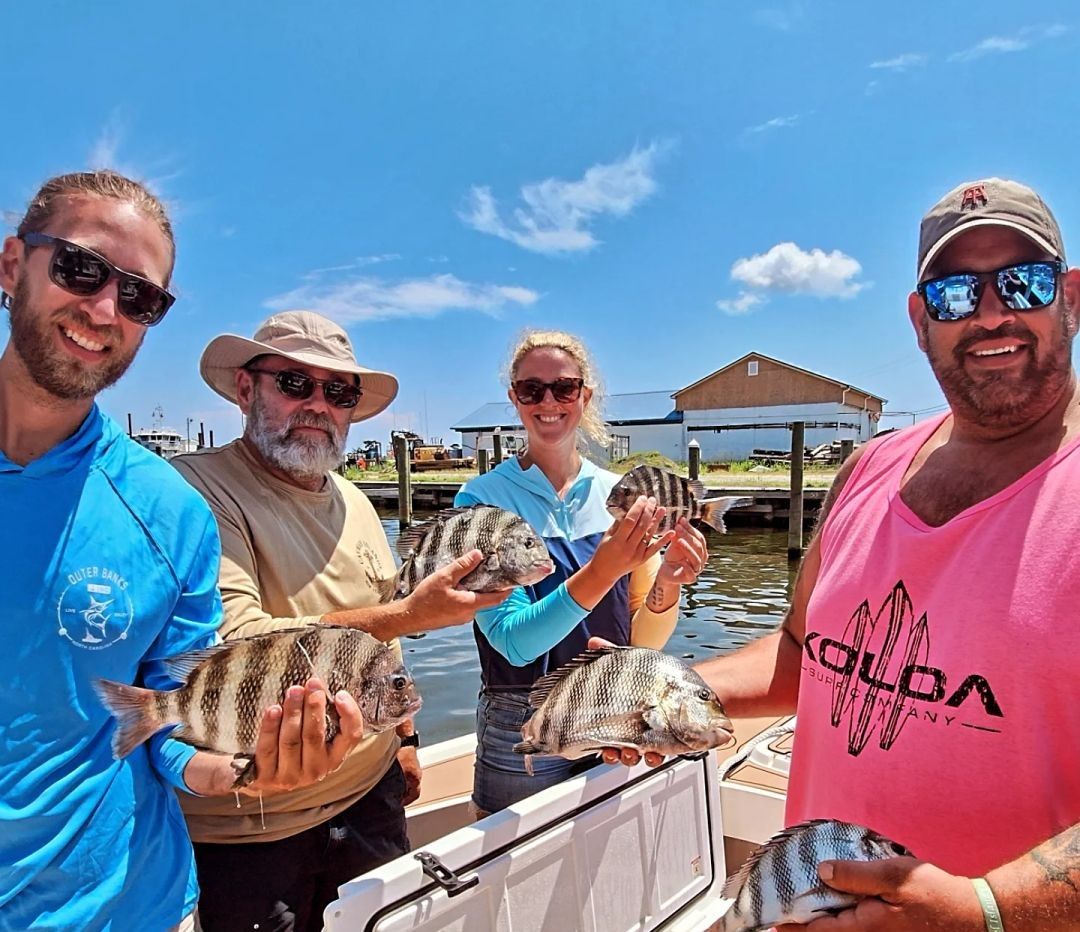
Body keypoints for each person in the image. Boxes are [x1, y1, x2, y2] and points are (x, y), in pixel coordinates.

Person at [610, 178, 1080, 930]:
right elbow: (805, 656)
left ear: (1072, 297)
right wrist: (661, 691)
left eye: (1024, 283)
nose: (991, 312)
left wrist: (985, 911)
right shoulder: (867, 469)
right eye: (956, 293)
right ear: (921, 320)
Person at [0, 171, 353, 932]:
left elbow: (166, 715)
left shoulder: (171, 511)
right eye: (81, 268)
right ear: (11, 265)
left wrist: (240, 771)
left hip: (136, 906)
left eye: (140, 297)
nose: (105, 310)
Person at [172, 310, 508, 932]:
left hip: (370, 795)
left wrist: (406, 742)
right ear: (245, 388)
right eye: (294, 383)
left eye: (339, 392)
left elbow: (386, 651)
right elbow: (231, 643)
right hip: (253, 824)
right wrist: (409, 613)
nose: (318, 405)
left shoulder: (355, 500)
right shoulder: (192, 490)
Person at [454, 329, 710, 815]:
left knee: (609, 850)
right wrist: (603, 570)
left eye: (564, 388)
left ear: (584, 396)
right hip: (522, 717)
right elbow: (513, 642)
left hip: (618, 705)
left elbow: (642, 639)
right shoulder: (481, 500)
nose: (548, 401)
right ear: (514, 398)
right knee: (512, 858)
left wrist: (669, 583)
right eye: (532, 389)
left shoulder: (622, 494)